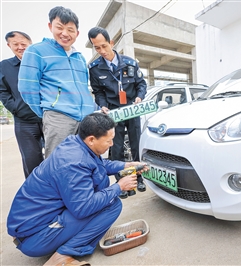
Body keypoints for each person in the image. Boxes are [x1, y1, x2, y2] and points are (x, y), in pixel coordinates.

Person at [7, 112, 148, 266]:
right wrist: (119, 186)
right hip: (34, 237)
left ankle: (67, 241)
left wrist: (125, 165)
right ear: (92, 139)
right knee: (112, 205)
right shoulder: (74, 163)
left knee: (105, 198)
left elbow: (99, 165)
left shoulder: (77, 144)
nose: (112, 144)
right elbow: (83, 208)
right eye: (109, 140)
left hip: (36, 226)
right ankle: (63, 255)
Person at [18, 6, 95, 158]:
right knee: (58, 162)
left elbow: (84, 89)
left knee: (85, 160)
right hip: (58, 118)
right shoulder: (36, 51)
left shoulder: (79, 57)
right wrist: (50, 110)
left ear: (77, 33)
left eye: (70, 30)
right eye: (59, 27)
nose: (65, 33)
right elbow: (27, 88)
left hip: (86, 119)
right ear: (50, 26)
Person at [88, 26, 147, 193]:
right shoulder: (94, 68)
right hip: (113, 113)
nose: (102, 51)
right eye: (97, 47)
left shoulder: (130, 63)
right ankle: (122, 183)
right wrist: (102, 105)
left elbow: (141, 84)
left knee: (136, 145)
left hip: (132, 110)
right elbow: (98, 91)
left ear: (111, 43)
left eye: (104, 46)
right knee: (117, 148)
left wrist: (139, 97)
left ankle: (138, 178)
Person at [0, 31, 44, 178]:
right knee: (31, 160)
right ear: (9, 45)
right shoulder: (4, 66)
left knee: (56, 156)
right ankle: (35, 195)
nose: (20, 47)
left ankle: (55, 193)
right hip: (24, 122)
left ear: (30, 44)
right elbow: (3, 92)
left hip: (47, 117)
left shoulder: (41, 62)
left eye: (23, 44)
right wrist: (15, 108)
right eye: (15, 44)